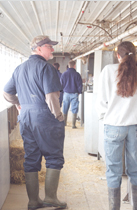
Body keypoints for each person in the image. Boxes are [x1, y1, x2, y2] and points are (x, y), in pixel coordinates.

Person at [3, 35, 67, 210]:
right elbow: (51, 96)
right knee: (54, 157)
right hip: (44, 117)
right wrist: (58, 115)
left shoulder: (19, 68)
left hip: (26, 118)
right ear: (38, 48)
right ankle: (50, 198)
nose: (52, 49)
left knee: (31, 158)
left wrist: (18, 104)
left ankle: (33, 201)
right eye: (49, 46)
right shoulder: (47, 68)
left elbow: (7, 92)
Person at [96, 41, 137, 210]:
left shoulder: (108, 71)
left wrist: (106, 117)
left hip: (113, 126)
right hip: (136, 127)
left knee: (113, 171)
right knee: (136, 170)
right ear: (135, 54)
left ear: (117, 55)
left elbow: (101, 100)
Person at [60, 60, 82, 128]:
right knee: (74, 109)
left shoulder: (64, 74)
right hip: (74, 94)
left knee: (65, 108)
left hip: (66, 94)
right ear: (74, 66)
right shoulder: (77, 74)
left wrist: (63, 91)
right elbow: (80, 85)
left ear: (68, 65)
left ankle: (64, 123)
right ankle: (73, 125)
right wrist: (79, 92)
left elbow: (61, 84)